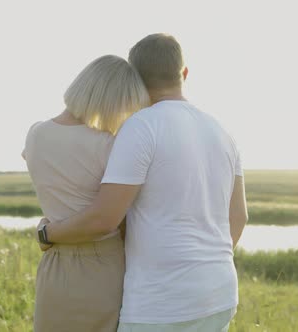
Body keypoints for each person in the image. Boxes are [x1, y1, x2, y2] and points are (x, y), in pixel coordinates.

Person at [38, 33, 249, 332]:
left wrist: (47, 233)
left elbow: (104, 218)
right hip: (220, 295)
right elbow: (239, 218)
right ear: (184, 73)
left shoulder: (141, 127)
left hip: (160, 305)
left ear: (134, 79)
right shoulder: (223, 132)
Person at [22, 54, 150, 332]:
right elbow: (122, 217)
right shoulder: (110, 145)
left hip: (54, 265)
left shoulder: (35, 134)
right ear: (113, 100)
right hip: (103, 267)